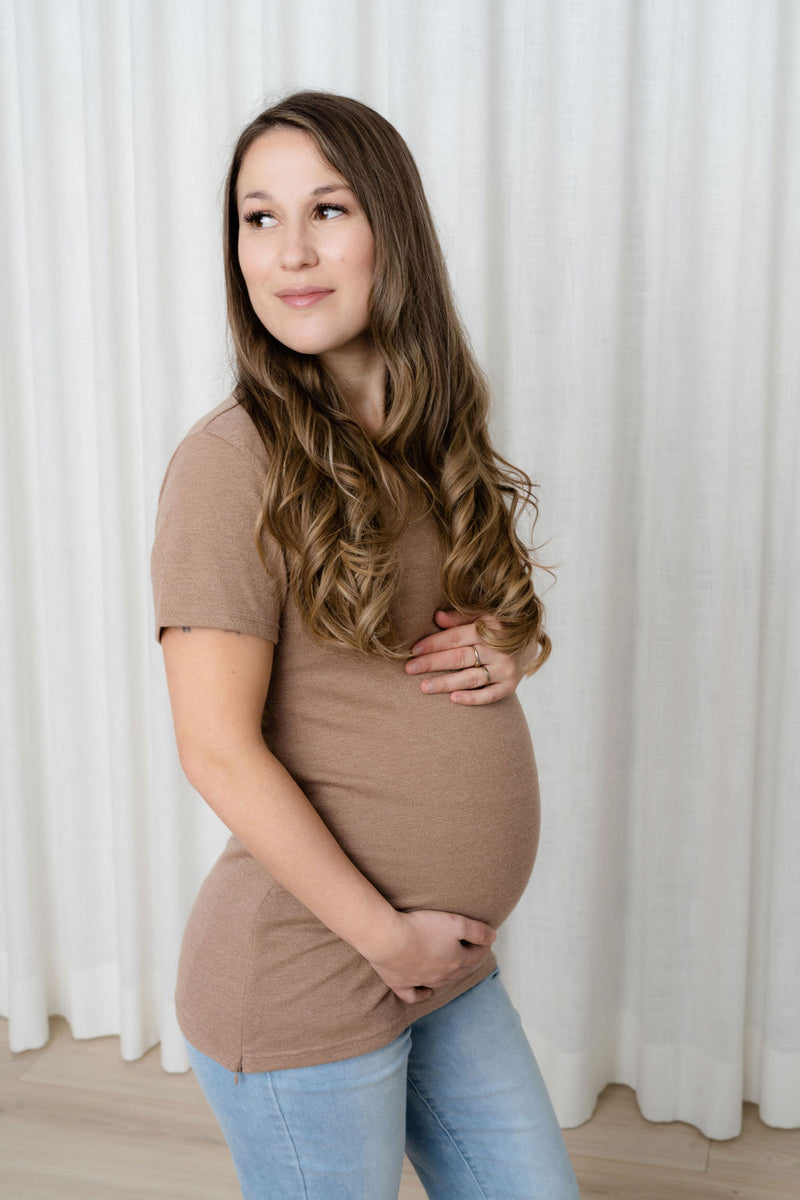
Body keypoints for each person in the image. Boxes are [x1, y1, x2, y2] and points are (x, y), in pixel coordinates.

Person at [151, 90, 580, 1200]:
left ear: (390, 227)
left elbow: (474, 619)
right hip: (312, 974)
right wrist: (386, 941)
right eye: (257, 218)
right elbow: (215, 749)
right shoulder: (230, 462)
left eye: (326, 209)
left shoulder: (423, 426)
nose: (287, 251)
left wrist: (508, 651)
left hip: (438, 971)